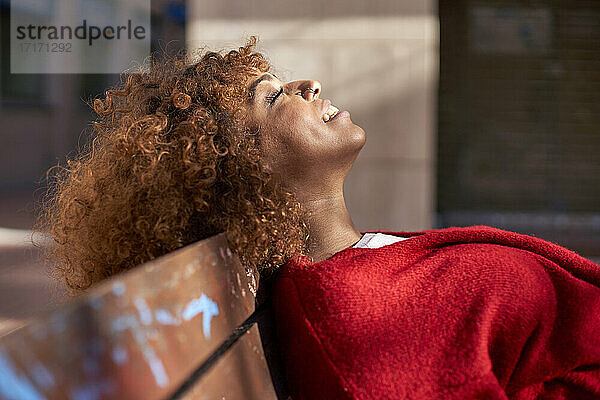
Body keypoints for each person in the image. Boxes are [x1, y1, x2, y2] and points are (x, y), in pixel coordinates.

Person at [36, 37, 600, 399]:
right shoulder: (351, 318)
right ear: (239, 169)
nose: (310, 85)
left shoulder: (364, 262)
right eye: (275, 96)